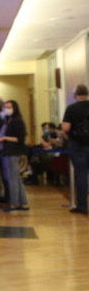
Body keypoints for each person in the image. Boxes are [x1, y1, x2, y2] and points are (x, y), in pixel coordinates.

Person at [0, 99, 29, 210]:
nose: (6, 109)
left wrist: (4, 138)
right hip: (8, 151)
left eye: (9, 107)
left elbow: (20, 139)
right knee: (16, 178)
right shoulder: (8, 120)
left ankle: (14, 203)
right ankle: (23, 202)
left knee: (12, 179)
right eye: (5, 107)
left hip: (12, 152)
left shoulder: (17, 121)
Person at [62, 84, 89, 214]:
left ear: (75, 95)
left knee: (81, 175)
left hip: (78, 144)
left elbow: (66, 127)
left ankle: (82, 205)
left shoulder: (72, 108)